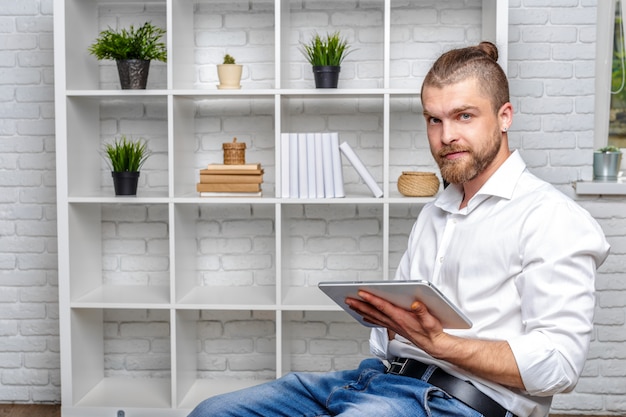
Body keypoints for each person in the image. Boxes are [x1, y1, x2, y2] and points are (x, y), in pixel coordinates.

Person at [187, 42, 610, 417]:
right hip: (378, 381)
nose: (447, 137)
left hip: (459, 402)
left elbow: (560, 364)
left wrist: (441, 345)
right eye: (434, 120)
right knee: (214, 411)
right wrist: (388, 323)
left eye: (464, 116)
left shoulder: (552, 218)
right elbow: (388, 344)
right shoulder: (435, 213)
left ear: (504, 117)